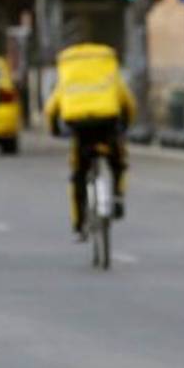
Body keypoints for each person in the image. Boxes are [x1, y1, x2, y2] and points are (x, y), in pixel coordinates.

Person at [44, 43, 135, 241]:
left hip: (79, 126)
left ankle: (79, 224)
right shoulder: (109, 73)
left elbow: (51, 109)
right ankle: (118, 196)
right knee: (119, 161)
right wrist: (126, 125)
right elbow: (128, 102)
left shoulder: (68, 78)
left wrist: (54, 130)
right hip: (107, 123)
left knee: (78, 174)